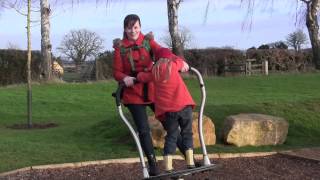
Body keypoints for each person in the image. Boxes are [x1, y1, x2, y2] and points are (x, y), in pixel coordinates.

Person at [112, 14, 161, 176]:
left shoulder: (148, 42)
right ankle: (152, 164)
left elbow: (161, 52)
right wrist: (125, 78)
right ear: (124, 29)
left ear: (140, 27)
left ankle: (188, 156)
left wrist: (176, 61)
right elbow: (117, 72)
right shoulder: (120, 48)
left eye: (135, 27)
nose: (133, 31)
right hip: (133, 93)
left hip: (151, 88)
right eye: (129, 27)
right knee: (144, 129)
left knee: (170, 121)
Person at [137, 48, 196, 172]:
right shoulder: (174, 65)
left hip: (169, 112)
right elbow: (181, 62)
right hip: (184, 106)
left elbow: (142, 77)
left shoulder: (154, 71)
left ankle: (168, 166)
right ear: (169, 57)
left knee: (172, 136)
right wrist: (184, 64)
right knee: (187, 133)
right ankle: (190, 162)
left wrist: (136, 76)